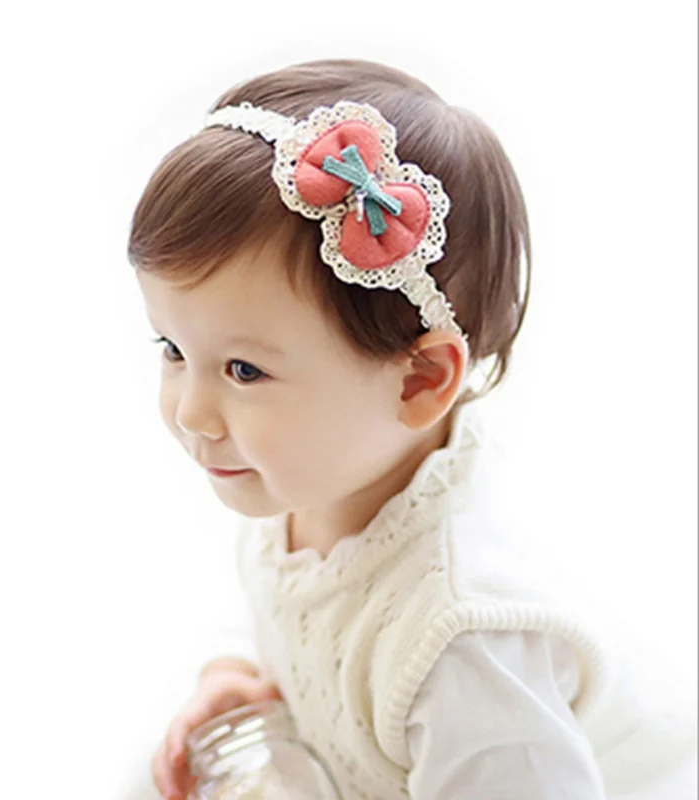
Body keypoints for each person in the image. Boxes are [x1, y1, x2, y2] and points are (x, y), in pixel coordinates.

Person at [126, 59, 696, 800]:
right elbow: (298, 608)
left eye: (243, 370)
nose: (189, 413)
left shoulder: (467, 645)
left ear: (420, 380)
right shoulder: (317, 475)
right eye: (172, 349)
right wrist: (239, 674)